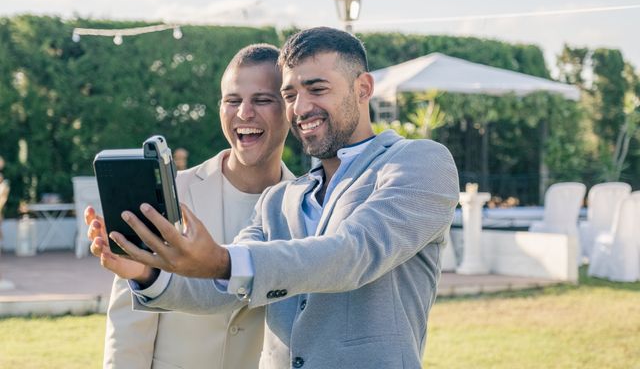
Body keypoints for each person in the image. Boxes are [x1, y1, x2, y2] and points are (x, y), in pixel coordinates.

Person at [91, 27, 460, 369]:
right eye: (289, 95)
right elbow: (226, 289)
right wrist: (146, 273)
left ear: (363, 88)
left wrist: (219, 259)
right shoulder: (277, 200)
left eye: (317, 89)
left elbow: (353, 252)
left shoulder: (419, 162)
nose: (300, 108)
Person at [86, 44, 293, 369]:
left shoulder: (308, 207)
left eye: (263, 99)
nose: (244, 113)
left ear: (290, 108)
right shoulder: (169, 193)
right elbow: (129, 326)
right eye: (233, 100)